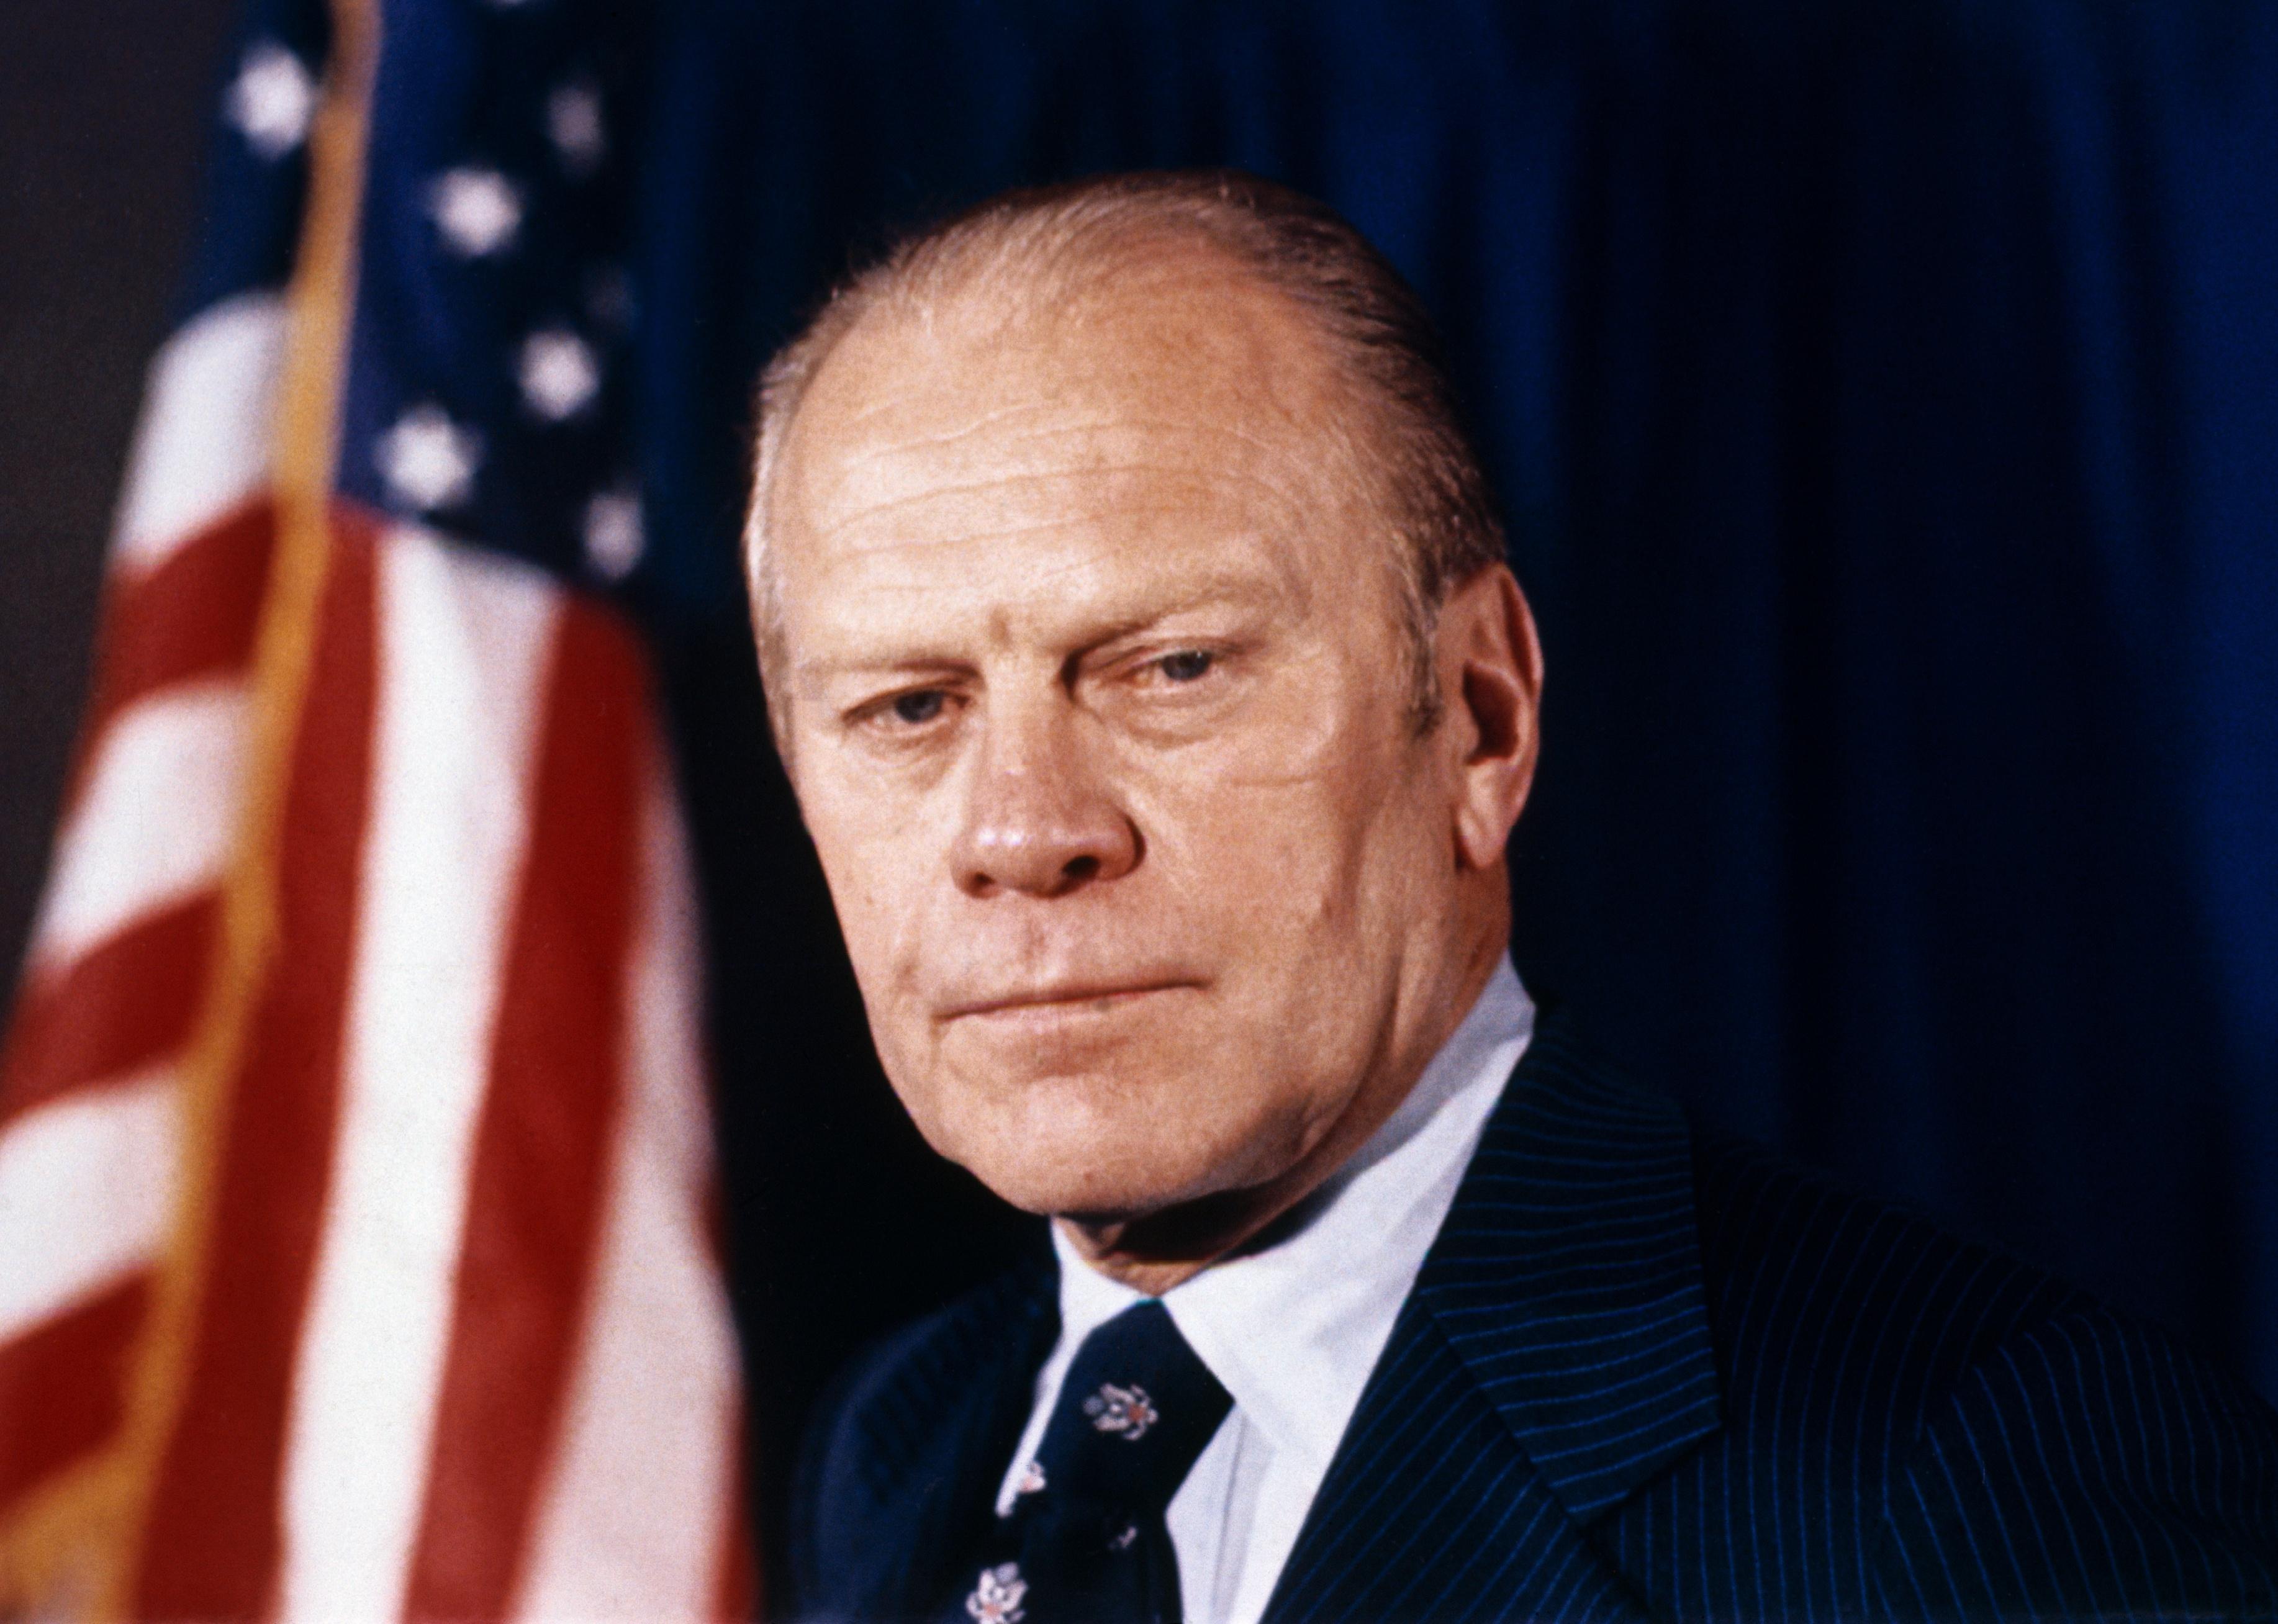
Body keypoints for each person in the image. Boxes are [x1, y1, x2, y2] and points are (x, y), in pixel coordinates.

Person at [741, 171, 2278, 1623]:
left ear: (1477, 718)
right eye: (907, 709)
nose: (1020, 833)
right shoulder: (907, 1443)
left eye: (1173, 668)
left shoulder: (1967, 1477)